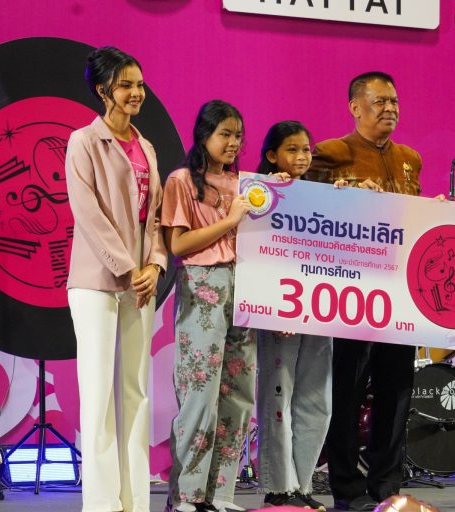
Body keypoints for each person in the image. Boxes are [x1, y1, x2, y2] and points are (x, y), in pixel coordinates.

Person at [306, 71, 422, 511]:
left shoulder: (410, 158)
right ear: (355, 107)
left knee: (396, 390)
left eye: (394, 101)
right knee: (347, 393)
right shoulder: (331, 153)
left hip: (399, 293)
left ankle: (387, 485)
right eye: (380, 101)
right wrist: (345, 191)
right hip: (348, 293)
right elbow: (298, 200)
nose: (390, 108)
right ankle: (347, 488)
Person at [65, 46, 167, 512]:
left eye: (139, 84)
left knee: (136, 391)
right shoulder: (83, 142)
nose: (136, 92)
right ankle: (103, 503)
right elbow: (87, 212)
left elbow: (156, 217)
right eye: (126, 84)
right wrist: (128, 267)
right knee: (98, 393)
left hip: (141, 282)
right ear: (103, 89)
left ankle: (135, 501)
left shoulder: (146, 147)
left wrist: (156, 265)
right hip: (97, 282)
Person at [161, 100, 255, 512]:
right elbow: (178, 245)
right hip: (203, 285)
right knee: (199, 392)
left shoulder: (244, 184)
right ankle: (187, 495)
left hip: (246, 286)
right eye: (225, 134)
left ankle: (221, 494)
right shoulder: (182, 181)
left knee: (239, 393)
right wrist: (229, 221)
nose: (233, 143)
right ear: (204, 135)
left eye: (238, 136)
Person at [254, 121, 335, 511]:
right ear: (272, 155)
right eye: (292, 149)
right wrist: (274, 304)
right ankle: (278, 485)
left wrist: (345, 198)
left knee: (317, 400)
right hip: (280, 310)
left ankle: (301, 484)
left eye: (306, 149)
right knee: (279, 395)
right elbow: (260, 252)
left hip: (319, 308)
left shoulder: (320, 195)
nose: (302, 157)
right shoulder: (259, 195)